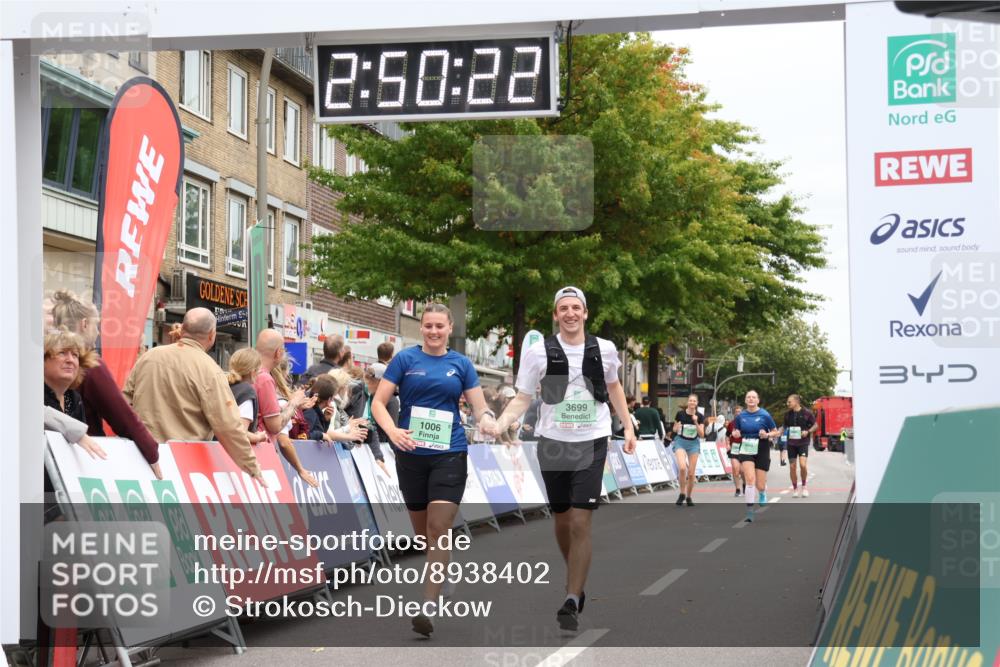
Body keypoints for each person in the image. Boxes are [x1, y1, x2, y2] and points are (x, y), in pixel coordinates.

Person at [490, 286, 637, 632]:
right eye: (563, 309)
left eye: (576, 308)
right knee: (561, 519)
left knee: (580, 521)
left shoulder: (605, 350)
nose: (570, 314)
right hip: (553, 443)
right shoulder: (539, 353)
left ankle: (572, 596)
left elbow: (614, 387)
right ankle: (575, 572)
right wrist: (499, 424)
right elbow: (523, 398)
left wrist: (628, 427)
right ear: (556, 315)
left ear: (585, 313)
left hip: (592, 441)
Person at [371, 303, 496, 638]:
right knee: (424, 533)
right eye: (428, 326)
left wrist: (486, 419)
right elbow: (378, 403)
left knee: (439, 527)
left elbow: (479, 405)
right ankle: (444, 567)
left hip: (450, 453)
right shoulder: (405, 361)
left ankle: (427, 606)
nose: (434, 331)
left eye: (440, 326)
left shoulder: (461, 364)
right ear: (422, 328)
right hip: (411, 454)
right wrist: (393, 432)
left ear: (449, 327)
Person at [124, 308, 262, 481]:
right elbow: (228, 426)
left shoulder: (149, 357)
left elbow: (124, 402)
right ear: (212, 335)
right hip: (185, 464)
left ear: (182, 329)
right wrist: (252, 466)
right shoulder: (210, 370)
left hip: (141, 455)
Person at [47, 290, 162, 478]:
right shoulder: (90, 365)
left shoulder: (44, 358)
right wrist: (152, 453)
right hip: (82, 459)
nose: (98, 332)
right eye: (96, 325)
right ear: (84, 324)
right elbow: (123, 416)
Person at [43, 329, 106, 461]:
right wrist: (79, 434)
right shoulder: (30, 394)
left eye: (75, 355)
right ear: (42, 360)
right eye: (62, 353)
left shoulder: (74, 398)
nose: (70, 360)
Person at [730, 390, 780, 523]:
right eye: (748, 397)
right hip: (746, 448)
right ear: (745, 400)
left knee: (760, 484)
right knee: (750, 479)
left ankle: (762, 492)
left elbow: (776, 432)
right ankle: (750, 511)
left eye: (753, 397)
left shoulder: (765, 415)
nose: (751, 399)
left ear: (758, 400)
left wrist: (767, 435)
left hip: (762, 448)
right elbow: (736, 431)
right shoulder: (741, 416)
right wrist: (736, 434)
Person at [226, 348, 269, 445]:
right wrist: (258, 437)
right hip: (234, 453)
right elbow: (240, 433)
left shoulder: (224, 386)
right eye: (259, 370)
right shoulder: (246, 392)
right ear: (253, 372)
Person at [672, 394, 705, 507]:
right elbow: (674, 429)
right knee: (682, 468)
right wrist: (676, 428)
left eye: (694, 401)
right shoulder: (680, 414)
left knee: (691, 473)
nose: (692, 402)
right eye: (690, 400)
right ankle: (682, 493)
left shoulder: (700, 416)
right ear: (688, 402)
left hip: (693, 444)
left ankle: (689, 496)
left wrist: (695, 422)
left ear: (697, 403)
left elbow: (702, 434)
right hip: (680, 441)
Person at [784, 394, 817, 497]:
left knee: (803, 465)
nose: (787, 403)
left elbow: (815, 425)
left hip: (803, 443)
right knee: (792, 467)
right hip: (791, 444)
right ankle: (795, 489)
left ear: (796, 402)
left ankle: (804, 487)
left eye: (789, 402)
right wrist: (776, 432)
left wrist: (807, 431)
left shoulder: (807, 413)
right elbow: (784, 427)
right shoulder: (787, 414)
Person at [725, 406, 745, 497]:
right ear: (734, 413)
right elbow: (727, 436)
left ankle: (745, 484)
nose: (738, 413)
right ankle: (737, 489)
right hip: (734, 448)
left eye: (739, 412)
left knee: (743, 471)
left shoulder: (746, 423)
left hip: (745, 448)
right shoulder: (731, 424)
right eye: (736, 412)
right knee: (736, 470)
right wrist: (728, 444)